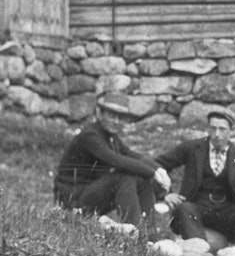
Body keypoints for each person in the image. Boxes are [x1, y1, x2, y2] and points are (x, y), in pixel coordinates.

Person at [155, 109, 235, 256]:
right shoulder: (192, 148)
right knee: (184, 208)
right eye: (213, 128)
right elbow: (158, 164)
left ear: (230, 131)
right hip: (196, 208)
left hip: (228, 211)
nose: (217, 134)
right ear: (208, 128)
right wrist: (166, 193)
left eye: (222, 129)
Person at [54, 92, 170, 234]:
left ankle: (149, 233)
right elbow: (117, 161)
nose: (116, 121)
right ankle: (136, 233)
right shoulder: (90, 135)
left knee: (141, 178)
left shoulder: (110, 136)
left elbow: (131, 155)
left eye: (120, 117)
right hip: (72, 200)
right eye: (112, 115)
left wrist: (159, 170)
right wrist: (153, 173)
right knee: (123, 177)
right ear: (100, 114)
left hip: (88, 195)